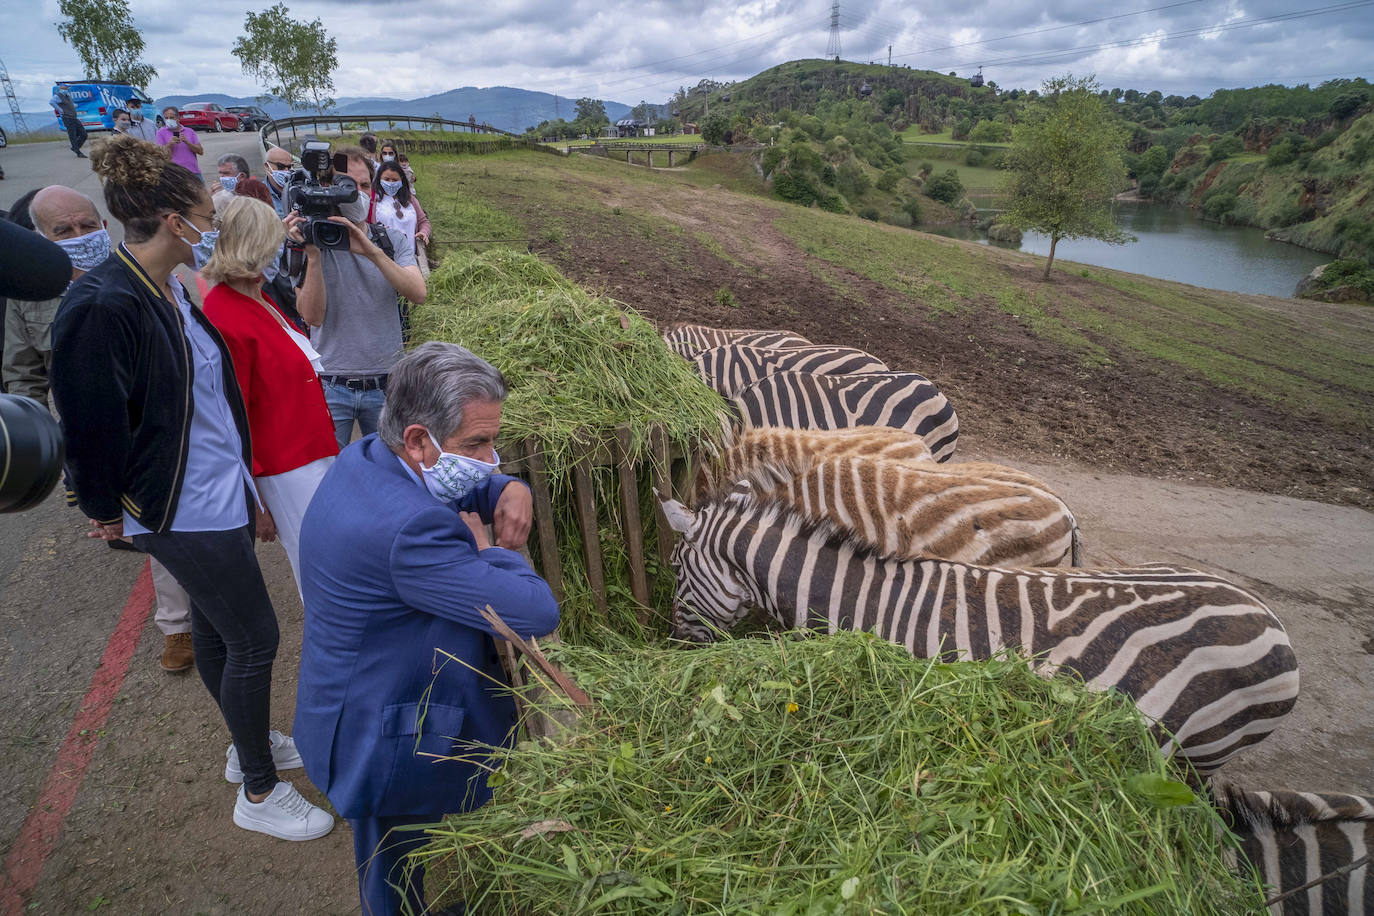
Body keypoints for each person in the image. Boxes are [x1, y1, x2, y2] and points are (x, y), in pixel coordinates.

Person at [50, 134, 333, 840]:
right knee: (256, 636)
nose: (215, 221)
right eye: (206, 210)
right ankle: (262, 795)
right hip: (177, 505)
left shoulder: (167, 286)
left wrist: (245, 487)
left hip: (214, 490)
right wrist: (102, 508)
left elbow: (205, 399)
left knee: (214, 629)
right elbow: (89, 421)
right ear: (175, 222)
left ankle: (248, 751)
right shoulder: (105, 303)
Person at [294, 341, 559, 915]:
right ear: (418, 439)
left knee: (390, 852)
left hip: (354, 694)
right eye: (478, 444)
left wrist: (508, 487)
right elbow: (536, 612)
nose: (491, 458)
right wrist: (492, 551)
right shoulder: (409, 531)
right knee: (395, 857)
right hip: (387, 733)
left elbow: (457, 479)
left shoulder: (368, 454)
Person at [201, 197, 337, 596]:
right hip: (284, 467)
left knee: (332, 559)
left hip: (311, 452)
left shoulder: (256, 295)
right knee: (319, 570)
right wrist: (256, 498)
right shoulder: (224, 314)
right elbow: (230, 413)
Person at [288, 145, 426, 448]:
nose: (357, 194)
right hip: (331, 383)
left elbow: (418, 293)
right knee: (330, 472)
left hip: (386, 383)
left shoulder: (392, 240)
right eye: (347, 185)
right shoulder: (310, 242)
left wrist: (372, 252)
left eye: (364, 185)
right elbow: (312, 316)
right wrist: (312, 255)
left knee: (391, 472)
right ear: (326, 188)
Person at [371, 160, 431, 264]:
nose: (390, 183)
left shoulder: (410, 200)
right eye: (386, 179)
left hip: (409, 258)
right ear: (379, 179)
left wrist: (423, 232)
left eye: (394, 180)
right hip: (383, 260)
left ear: (401, 180)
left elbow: (424, 222)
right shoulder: (373, 201)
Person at [156, 107, 204, 177]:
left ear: (178, 118)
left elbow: (200, 151)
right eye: (166, 118)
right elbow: (159, 153)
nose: (169, 120)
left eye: (171, 117)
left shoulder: (189, 131)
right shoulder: (160, 133)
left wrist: (187, 142)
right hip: (175, 173)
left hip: (193, 171)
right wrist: (170, 144)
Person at [50, 88, 87, 158]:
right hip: (67, 118)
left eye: (67, 88)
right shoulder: (58, 96)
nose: (67, 90)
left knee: (84, 134)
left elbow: (70, 104)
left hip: (74, 118)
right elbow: (51, 102)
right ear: (61, 89)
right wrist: (60, 110)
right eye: (65, 88)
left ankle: (75, 147)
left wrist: (74, 106)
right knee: (72, 135)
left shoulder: (68, 96)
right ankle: (78, 152)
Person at [263, 146, 295, 217]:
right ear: (267, 166)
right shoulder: (259, 196)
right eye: (280, 167)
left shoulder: (298, 191)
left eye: (289, 167)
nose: (286, 171)